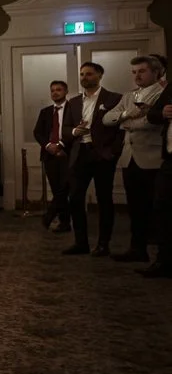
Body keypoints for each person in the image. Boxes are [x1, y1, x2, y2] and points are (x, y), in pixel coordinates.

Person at [102, 55, 164, 262]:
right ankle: (137, 249)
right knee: (135, 207)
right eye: (134, 72)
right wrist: (128, 114)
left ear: (156, 72)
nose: (137, 76)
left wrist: (126, 123)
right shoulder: (129, 96)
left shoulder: (162, 94)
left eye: (142, 71)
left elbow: (152, 122)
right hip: (130, 158)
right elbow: (107, 118)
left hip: (153, 158)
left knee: (157, 209)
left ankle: (161, 257)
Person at [61, 62, 123, 256]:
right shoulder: (73, 102)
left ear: (99, 75)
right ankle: (81, 243)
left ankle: (103, 244)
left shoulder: (113, 99)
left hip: (102, 154)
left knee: (104, 199)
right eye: (81, 74)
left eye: (89, 74)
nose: (84, 78)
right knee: (75, 198)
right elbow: (64, 128)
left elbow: (120, 128)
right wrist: (73, 131)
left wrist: (112, 151)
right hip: (80, 153)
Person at [33, 80, 72, 233]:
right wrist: (49, 146)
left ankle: (49, 216)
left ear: (66, 91)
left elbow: (75, 131)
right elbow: (38, 133)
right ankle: (65, 223)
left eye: (59, 90)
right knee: (57, 189)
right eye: (53, 90)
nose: (55, 92)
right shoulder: (45, 112)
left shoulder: (73, 109)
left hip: (67, 154)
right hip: (49, 155)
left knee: (64, 188)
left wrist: (61, 146)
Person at [142, 82, 172, 277]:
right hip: (169, 159)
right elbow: (152, 115)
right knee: (162, 208)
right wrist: (162, 113)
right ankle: (164, 261)